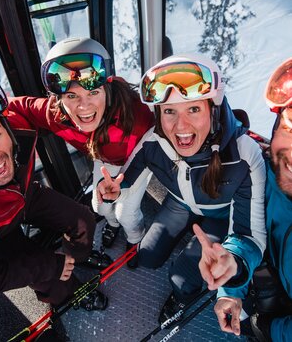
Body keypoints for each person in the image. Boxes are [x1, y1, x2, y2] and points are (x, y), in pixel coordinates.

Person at [96, 53, 267, 323]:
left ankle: (180, 298)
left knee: (182, 278)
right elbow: (127, 174)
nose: (181, 126)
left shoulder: (244, 154)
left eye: (193, 109)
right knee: (148, 257)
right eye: (170, 111)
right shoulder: (154, 140)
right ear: (159, 114)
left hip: (222, 215)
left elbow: (251, 236)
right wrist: (116, 188)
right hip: (179, 202)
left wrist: (233, 263)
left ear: (214, 109)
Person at [0, 73, 107, 311]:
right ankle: (70, 295)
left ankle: (77, 258)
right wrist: (48, 266)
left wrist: (81, 110)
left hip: (24, 195)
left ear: (6, 125)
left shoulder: (14, 119)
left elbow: (35, 108)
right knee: (51, 276)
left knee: (83, 220)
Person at [8, 37, 155, 267]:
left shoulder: (136, 113)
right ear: (60, 99)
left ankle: (135, 238)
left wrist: (124, 185)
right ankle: (112, 225)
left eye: (93, 93)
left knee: (127, 212)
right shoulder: (57, 115)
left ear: (106, 89)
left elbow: (160, 140)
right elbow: (17, 106)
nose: (83, 107)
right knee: (99, 206)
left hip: (136, 162)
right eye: (72, 96)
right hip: (104, 160)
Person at [195, 57, 292, 341]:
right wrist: (232, 279)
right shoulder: (269, 173)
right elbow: (247, 231)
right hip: (266, 276)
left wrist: (268, 331)